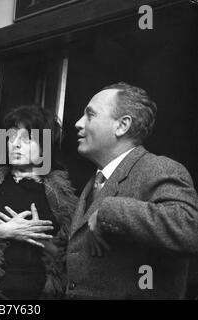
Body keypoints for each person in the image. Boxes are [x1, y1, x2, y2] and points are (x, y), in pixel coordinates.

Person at [67, 82, 198, 299]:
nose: (78, 123)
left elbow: (190, 228)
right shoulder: (96, 180)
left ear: (122, 125)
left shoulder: (159, 168)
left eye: (90, 115)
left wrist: (108, 212)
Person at [0, 105, 77, 299]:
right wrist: (2, 232)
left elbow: (74, 257)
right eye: (11, 137)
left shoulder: (63, 195)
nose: (15, 144)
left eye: (27, 138)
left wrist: (43, 242)